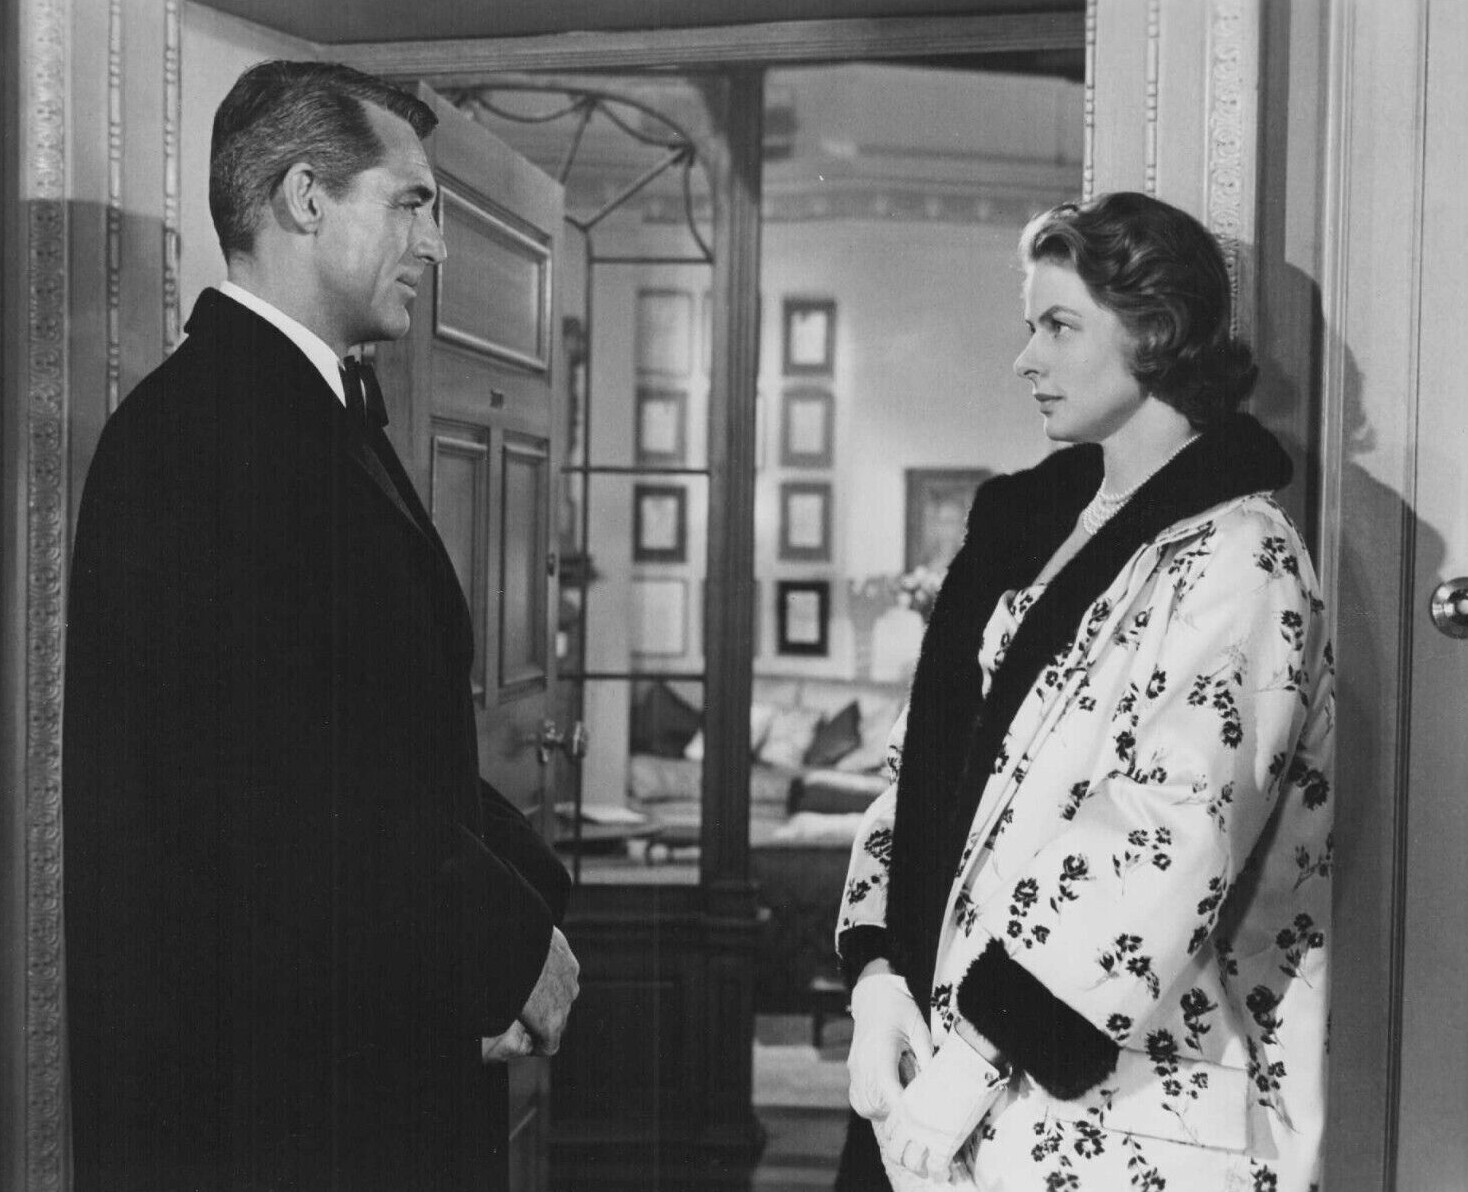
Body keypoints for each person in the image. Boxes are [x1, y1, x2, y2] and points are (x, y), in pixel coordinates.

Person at [64, 60, 579, 1192]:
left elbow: (378, 746)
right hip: (270, 1105)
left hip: (331, 1064)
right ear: (305, 198)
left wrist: (531, 898)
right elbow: (286, 793)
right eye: (413, 202)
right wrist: (502, 947)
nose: (437, 244)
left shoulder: (297, 411)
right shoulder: (207, 436)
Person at [835, 191, 1334, 1191]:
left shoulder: (1241, 553)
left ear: (1154, 331)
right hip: (958, 1074)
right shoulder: (1027, 534)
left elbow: (1168, 831)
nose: (1025, 359)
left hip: (1124, 1105)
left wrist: (978, 1053)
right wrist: (879, 973)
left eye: (1058, 325)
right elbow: (920, 767)